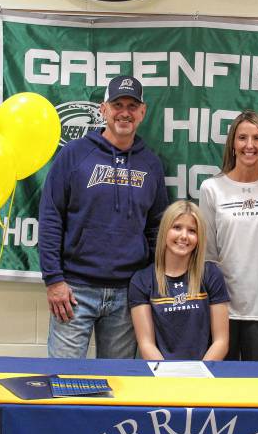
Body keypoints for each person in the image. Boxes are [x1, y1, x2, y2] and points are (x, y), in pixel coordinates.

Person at [38, 75, 169, 359]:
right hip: (73, 292)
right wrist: (53, 280)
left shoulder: (151, 164)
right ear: (103, 109)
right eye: (117, 104)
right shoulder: (74, 155)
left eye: (132, 106)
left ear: (143, 112)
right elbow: (50, 217)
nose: (125, 112)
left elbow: (158, 227)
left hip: (127, 293)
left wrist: (148, 282)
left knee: (118, 384)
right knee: (64, 380)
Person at [199, 110, 258, 361]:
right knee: (225, 388)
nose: (249, 145)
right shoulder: (212, 188)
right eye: (242, 137)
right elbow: (208, 254)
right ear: (232, 143)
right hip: (223, 307)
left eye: (257, 138)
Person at [128, 200, 230, 361]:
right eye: (177, 227)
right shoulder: (142, 280)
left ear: (199, 238)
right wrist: (170, 377)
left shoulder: (211, 274)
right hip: (161, 376)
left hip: (203, 375)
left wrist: (197, 375)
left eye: (192, 231)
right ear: (165, 231)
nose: (184, 236)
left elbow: (221, 342)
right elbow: (146, 344)